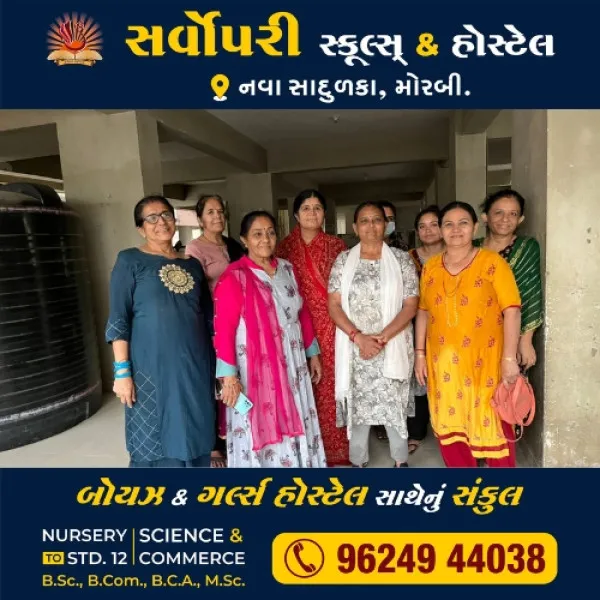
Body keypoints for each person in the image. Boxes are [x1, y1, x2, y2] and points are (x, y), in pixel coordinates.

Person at [105, 195, 215, 467]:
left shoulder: (192, 265)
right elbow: (119, 319)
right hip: (150, 368)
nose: (161, 222)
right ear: (140, 228)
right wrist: (122, 372)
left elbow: (208, 318)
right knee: (154, 432)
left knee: (196, 424)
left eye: (166, 215)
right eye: (151, 218)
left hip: (195, 366)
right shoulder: (130, 260)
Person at [213, 210, 327, 468]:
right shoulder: (234, 276)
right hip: (255, 366)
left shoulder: (287, 269)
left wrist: (312, 352)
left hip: (293, 361)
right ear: (244, 240)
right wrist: (228, 377)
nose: (265, 239)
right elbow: (224, 329)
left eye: (270, 233)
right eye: (257, 234)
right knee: (260, 415)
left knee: (295, 408)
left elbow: (302, 312)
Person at [414, 201, 522, 468]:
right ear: (441, 230)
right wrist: (419, 354)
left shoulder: (492, 263)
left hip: (486, 365)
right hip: (444, 366)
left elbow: (512, 310)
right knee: (450, 424)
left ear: (475, 227)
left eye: (463, 223)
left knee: (494, 425)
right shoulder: (431, 267)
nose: (456, 230)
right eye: (448, 224)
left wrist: (509, 359)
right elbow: (423, 311)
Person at [328, 202, 419, 468]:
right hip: (355, 349)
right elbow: (334, 304)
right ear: (355, 227)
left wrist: (382, 338)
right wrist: (359, 338)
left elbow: (411, 304)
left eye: (377, 220)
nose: (371, 226)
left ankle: (400, 461)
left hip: (392, 345)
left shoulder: (402, 260)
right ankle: (358, 462)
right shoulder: (343, 260)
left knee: (394, 408)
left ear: (386, 225)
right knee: (359, 409)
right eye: (364, 221)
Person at [276, 190, 350, 466]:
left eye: (317, 207)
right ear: (296, 214)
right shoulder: (282, 248)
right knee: (300, 384)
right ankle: (306, 449)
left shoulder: (336, 246)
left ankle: (337, 449)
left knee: (332, 385)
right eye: (306, 208)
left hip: (332, 324)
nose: (311, 213)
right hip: (295, 325)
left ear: (324, 214)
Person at [185, 194, 244, 468]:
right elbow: (195, 293)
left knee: (239, 378)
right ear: (200, 219)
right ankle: (214, 445)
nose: (217, 216)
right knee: (218, 382)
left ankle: (240, 432)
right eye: (210, 212)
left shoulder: (233, 245)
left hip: (242, 323)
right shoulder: (195, 249)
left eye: (220, 211)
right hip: (214, 324)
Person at [474, 189, 543, 371]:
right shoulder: (472, 248)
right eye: (499, 212)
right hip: (472, 333)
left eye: (513, 214)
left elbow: (531, 293)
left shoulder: (526, 247)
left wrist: (525, 340)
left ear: (520, 219)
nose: (505, 219)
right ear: (485, 217)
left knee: (507, 385)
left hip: (510, 336)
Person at [406, 205, 445, 455]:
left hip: (448, 325)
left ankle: (450, 430)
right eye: (422, 226)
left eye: (434, 224)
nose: (428, 230)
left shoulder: (455, 254)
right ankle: (417, 431)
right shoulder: (408, 257)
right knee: (418, 378)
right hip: (414, 324)